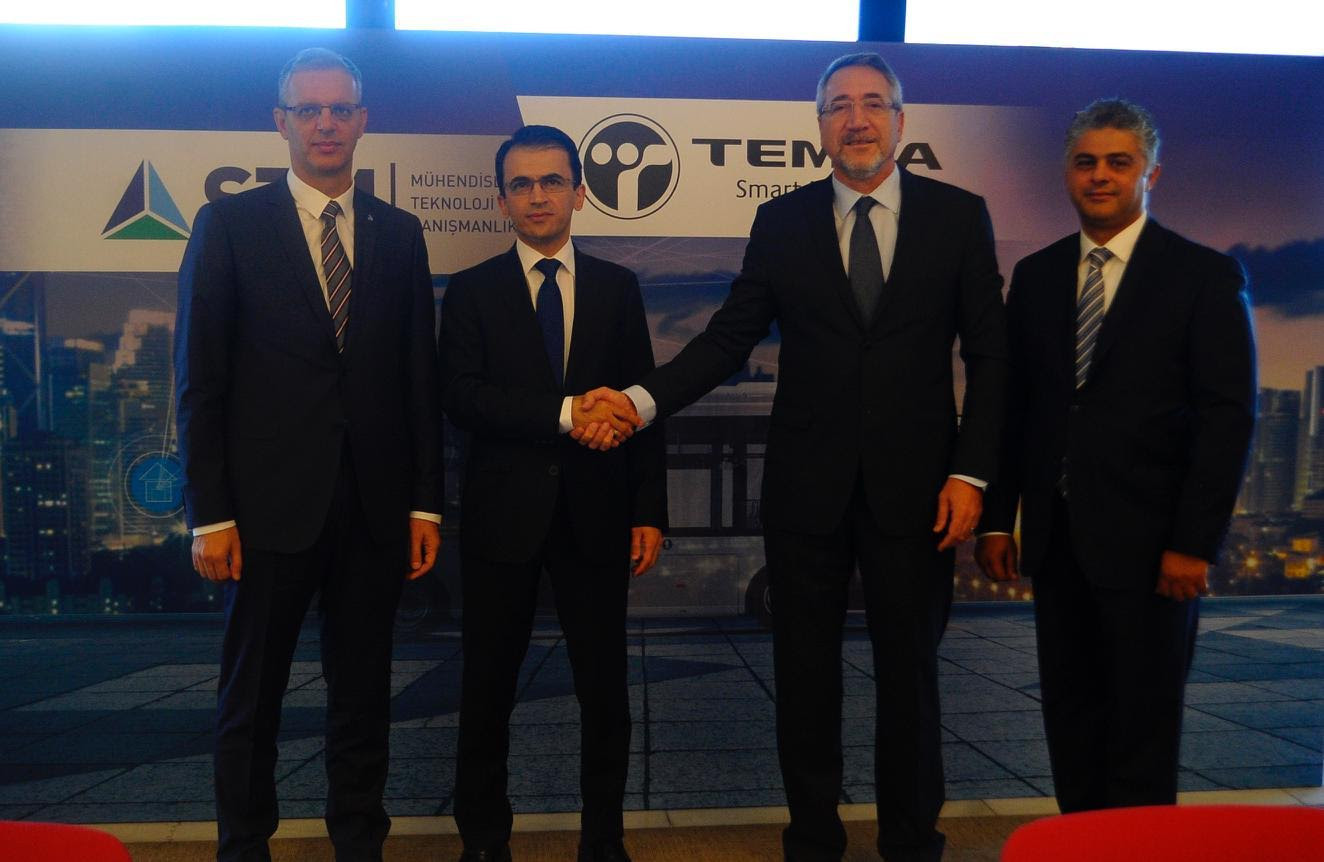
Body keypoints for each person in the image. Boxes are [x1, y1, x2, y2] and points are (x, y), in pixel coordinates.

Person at [577, 53, 1007, 862]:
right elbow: (728, 340)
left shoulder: (958, 217)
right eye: (839, 105)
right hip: (806, 494)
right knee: (805, 681)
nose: (856, 119)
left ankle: (912, 843)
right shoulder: (782, 222)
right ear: (819, 126)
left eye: (872, 103)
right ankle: (812, 841)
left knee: (911, 679)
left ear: (901, 121)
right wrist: (637, 402)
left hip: (920, 494)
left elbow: (992, 357)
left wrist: (971, 471)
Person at [174, 48, 444, 862]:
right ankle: (243, 848)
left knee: (362, 698)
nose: (325, 123)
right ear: (281, 121)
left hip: (374, 509)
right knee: (250, 699)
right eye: (309, 109)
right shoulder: (229, 225)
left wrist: (424, 504)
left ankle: (360, 844)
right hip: (263, 515)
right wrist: (209, 515)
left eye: (340, 109)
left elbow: (418, 380)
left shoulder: (401, 233)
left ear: (362, 121)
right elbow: (199, 379)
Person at [975, 98, 1255, 812]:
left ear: (1150, 173)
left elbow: (1227, 418)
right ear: (1067, 173)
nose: (1100, 175)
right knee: (1071, 722)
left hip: (1156, 549)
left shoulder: (1203, 276)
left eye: (1118, 162)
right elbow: (1015, 408)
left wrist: (1194, 543)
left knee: (1142, 733)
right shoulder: (1036, 276)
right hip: (1058, 542)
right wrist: (999, 518)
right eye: (1086, 162)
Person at [439, 125, 667, 862]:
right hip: (500, 520)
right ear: (501, 199)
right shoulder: (471, 291)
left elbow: (643, 403)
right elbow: (461, 397)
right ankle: (484, 842)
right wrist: (567, 414)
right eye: (521, 184)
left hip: (597, 516)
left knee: (605, 693)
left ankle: (604, 841)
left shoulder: (617, 288)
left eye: (551, 181)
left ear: (578, 192)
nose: (537, 196)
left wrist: (649, 509)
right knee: (486, 690)